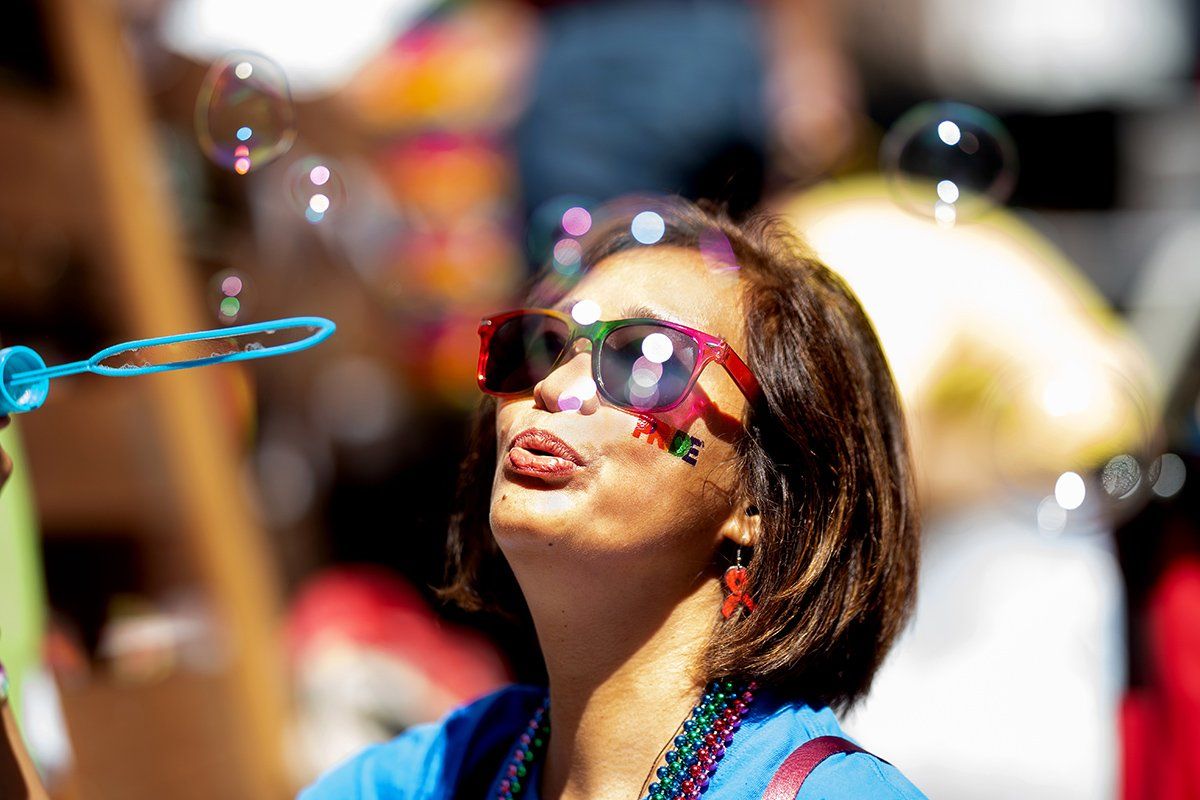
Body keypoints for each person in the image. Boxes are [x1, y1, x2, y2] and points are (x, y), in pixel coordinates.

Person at [299, 198, 927, 799]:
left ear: (762, 502)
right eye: (538, 346)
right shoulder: (433, 776)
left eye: (647, 361)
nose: (555, 387)